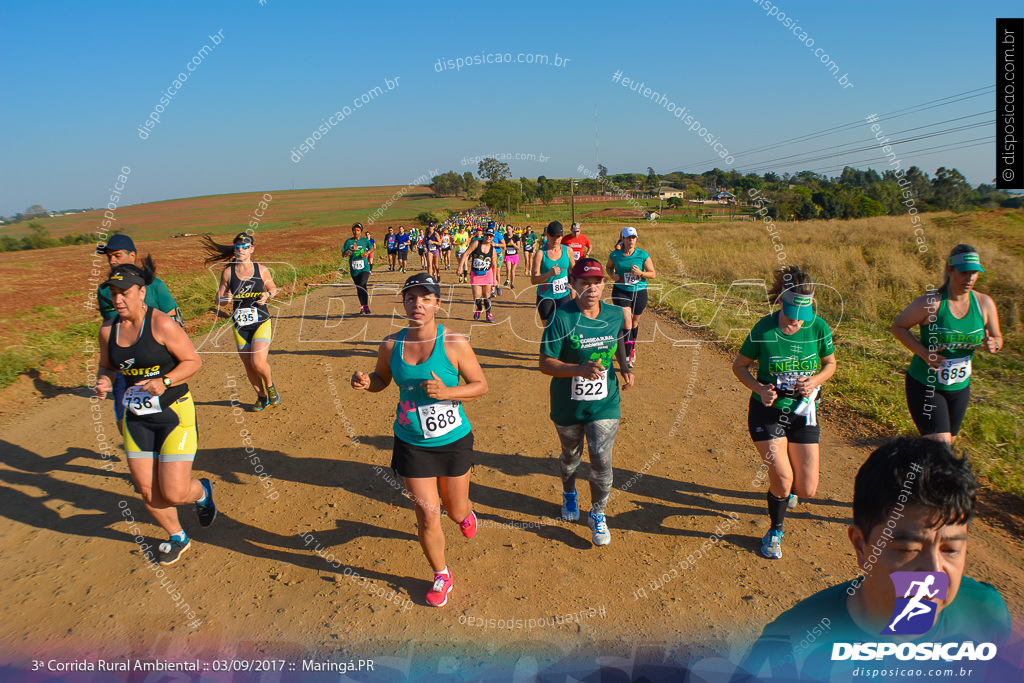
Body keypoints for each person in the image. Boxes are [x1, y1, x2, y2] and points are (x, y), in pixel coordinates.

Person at [738, 437, 1014, 681]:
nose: (933, 573)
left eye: (950, 549)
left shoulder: (986, 613)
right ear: (861, 546)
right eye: (908, 550)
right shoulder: (790, 645)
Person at [351, 273, 488, 607]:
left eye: (426, 298)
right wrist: (366, 382)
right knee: (428, 515)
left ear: (437, 304)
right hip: (412, 442)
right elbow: (383, 378)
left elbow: (480, 385)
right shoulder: (390, 345)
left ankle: (466, 515)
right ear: (404, 303)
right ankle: (442, 574)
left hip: (453, 439)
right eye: (411, 298)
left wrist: (448, 391)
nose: (418, 304)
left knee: (455, 511)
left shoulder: (454, 342)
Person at [93, 262, 216, 566]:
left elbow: (193, 361)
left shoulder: (161, 324)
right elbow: (108, 365)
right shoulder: (108, 330)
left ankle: (202, 492)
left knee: (173, 492)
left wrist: (164, 381)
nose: (117, 299)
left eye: (124, 292)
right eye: (113, 293)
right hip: (136, 417)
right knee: (148, 491)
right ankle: (177, 537)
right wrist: (104, 380)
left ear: (141, 292)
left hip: (174, 412)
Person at [732, 266, 836, 559]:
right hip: (768, 412)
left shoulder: (818, 327)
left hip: (804, 412)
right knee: (782, 477)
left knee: (807, 489)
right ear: (780, 299)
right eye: (791, 310)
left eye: (802, 312)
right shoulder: (764, 329)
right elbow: (739, 366)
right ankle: (775, 531)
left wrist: (814, 380)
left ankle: (787, 488)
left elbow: (830, 364)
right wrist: (759, 388)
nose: (796, 319)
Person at [540, 258, 634, 547]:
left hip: (605, 401)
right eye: (585, 284)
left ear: (604, 284)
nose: (592, 289)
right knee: (571, 457)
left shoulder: (616, 314)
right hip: (568, 403)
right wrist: (577, 370)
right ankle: (569, 493)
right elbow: (545, 363)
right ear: (573, 285)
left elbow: (618, 339)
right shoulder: (562, 318)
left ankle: (598, 513)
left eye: (597, 283)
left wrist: (625, 366)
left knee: (600, 458)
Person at [891, 245, 1002, 444]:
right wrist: (924, 353)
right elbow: (898, 326)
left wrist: (994, 344)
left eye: (974, 273)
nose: (969, 278)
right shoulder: (932, 303)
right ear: (950, 270)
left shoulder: (984, 304)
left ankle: (917, 470)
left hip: (960, 387)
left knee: (947, 445)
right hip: (926, 384)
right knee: (939, 446)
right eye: (964, 272)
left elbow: (998, 338)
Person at [96, 234, 181, 432]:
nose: (112, 261)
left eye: (116, 255)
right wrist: (105, 376)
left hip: (159, 366)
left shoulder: (156, 286)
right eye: (109, 257)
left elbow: (175, 322)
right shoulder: (103, 292)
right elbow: (110, 330)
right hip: (125, 369)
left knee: (167, 419)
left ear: (132, 256)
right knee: (124, 420)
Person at [205, 233, 281, 411]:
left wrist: (267, 295)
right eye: (238, 247)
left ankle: (270, 387)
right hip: (240, 325)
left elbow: (273, 287)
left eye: (245, 247)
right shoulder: (228, 273)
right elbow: (219, 299)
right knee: (248, 365)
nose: (241, 250)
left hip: (261, 321)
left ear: (252, 249)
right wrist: (226, 298)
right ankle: (261, 396)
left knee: (258, 363)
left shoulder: (260, 269)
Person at [605, 227, 655, 367]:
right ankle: (627, 356)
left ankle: (632, 349)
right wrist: (612, 275)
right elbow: (608, 267)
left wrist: (640, 273)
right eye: (628, 237)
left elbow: (652, 273)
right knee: (626, 321)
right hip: (621, 291)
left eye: (633, 237)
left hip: (639, 291)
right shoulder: (615, 255)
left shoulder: (642, 254)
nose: (631, 240)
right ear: (623, 239)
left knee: (634, 323)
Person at [531, 221, 575, 326]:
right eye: (553, 236)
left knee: (565, 326)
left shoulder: (568, 251)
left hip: (563, 295)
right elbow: (533, 280)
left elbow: (575, 270)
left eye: (558, 236)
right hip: (545, 296)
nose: (556, 239)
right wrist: (549, 274)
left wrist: (573, 283)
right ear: (548, 236)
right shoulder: (540, 254)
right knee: (549, 329)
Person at [457, 226, 498, 322]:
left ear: (493, 237)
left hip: (487, 274)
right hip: (475, 274)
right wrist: (460, 267)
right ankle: (479, 308)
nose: (489, 238)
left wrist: (494, 279)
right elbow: (466, 254)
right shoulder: (476, 244)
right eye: (487, 235)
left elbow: (494, 265)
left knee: (487, 295)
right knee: (477, 296)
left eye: (491, 236)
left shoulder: (493, 249)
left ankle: (488, 313)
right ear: (484, 235)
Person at [342, 222, 374, 315]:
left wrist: (367, 253)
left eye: (358, 230)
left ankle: (366, 306)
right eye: (354, 230)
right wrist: (351, 250)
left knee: (362, 284)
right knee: (359, 287)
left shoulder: (365, 241)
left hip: (364, 268)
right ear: (352, 231)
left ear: (361, 232)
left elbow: (372, 248)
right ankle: (363, 306)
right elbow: (343, 255)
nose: (356, 232)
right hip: (354, 269)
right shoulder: (349, 242)